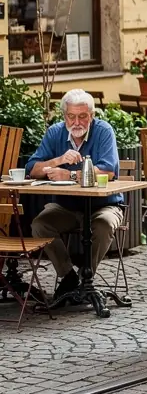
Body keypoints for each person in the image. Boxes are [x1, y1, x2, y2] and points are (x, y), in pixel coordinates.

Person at [28, 89, 121, 301]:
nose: (77, 122)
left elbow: (108, 171)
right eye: (71, 116)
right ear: (64, 116)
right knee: (40, 225)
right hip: (66, 205)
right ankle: (69, 277)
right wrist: (59, 160)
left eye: (83, 116)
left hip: (103, 204)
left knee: (105, 224)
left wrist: (69, 174)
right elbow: (32, 169)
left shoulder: (103, 131)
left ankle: (84, 279)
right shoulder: (55, 132)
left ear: (92, 115)